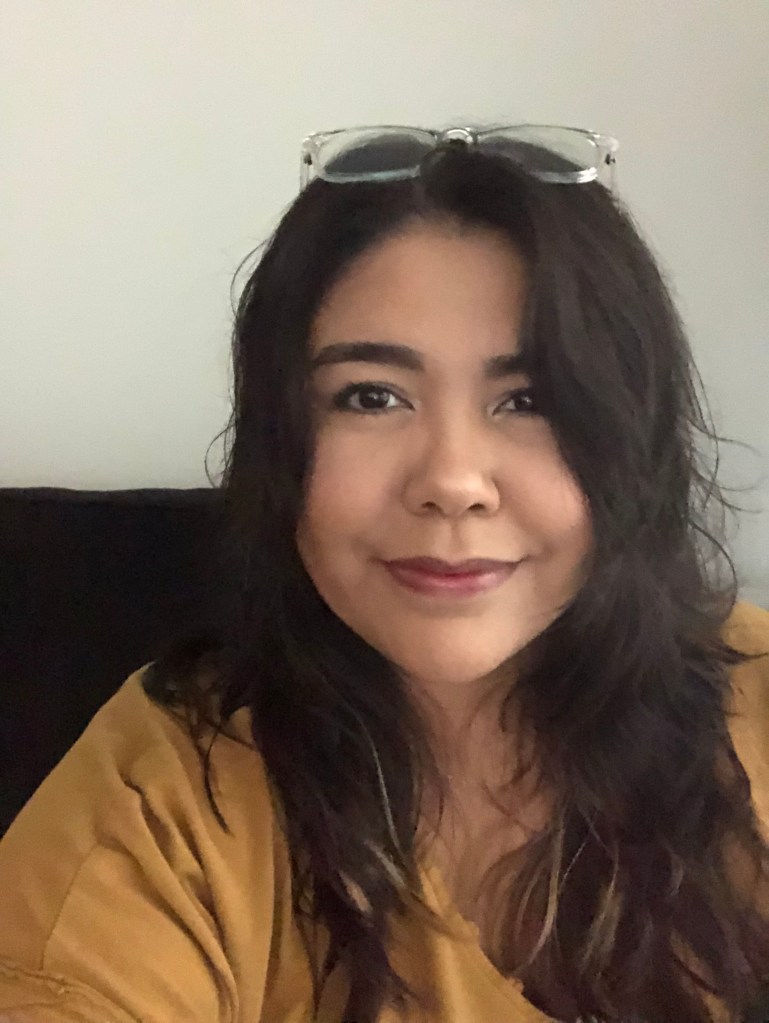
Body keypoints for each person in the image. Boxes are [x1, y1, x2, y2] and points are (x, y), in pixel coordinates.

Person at [0, 124, 768, 1023]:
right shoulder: (165, 798)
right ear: (283, 444)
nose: (452, 480)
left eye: (529, 399)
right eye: (371, 396)